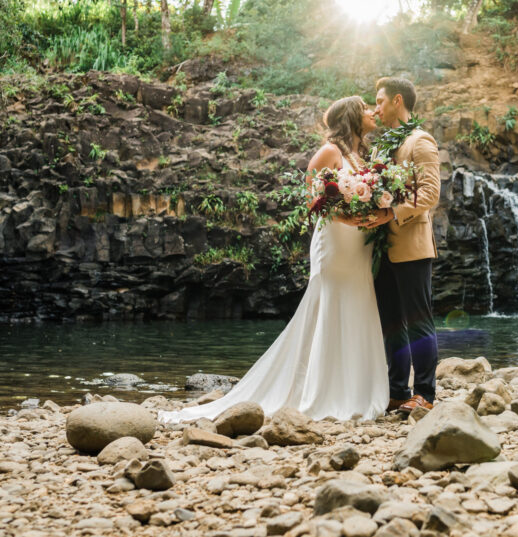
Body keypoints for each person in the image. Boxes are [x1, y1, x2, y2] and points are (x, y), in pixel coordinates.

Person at [158, 96, 389, 423]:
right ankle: (323, 392)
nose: (371, 112)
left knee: (358, 302)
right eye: (365, 107)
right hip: (336, 242)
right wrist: (348, 219)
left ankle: (357, 390)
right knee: (331, 304)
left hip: (359, 244)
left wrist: (376, 214)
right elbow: (313, 198)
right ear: (352, 116)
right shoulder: (329, 152)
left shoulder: (362, 155)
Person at [369, 77, 441, 414]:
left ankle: (425, 393)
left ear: (398, 101)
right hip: (382, 249)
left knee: (417, 321)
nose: (376, 108)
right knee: (392, 322)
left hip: (411, 245)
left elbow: (430, 194)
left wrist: (390, 213)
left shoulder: (420, 141)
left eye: (380, 101)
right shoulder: (381, 147)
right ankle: (398, 390)